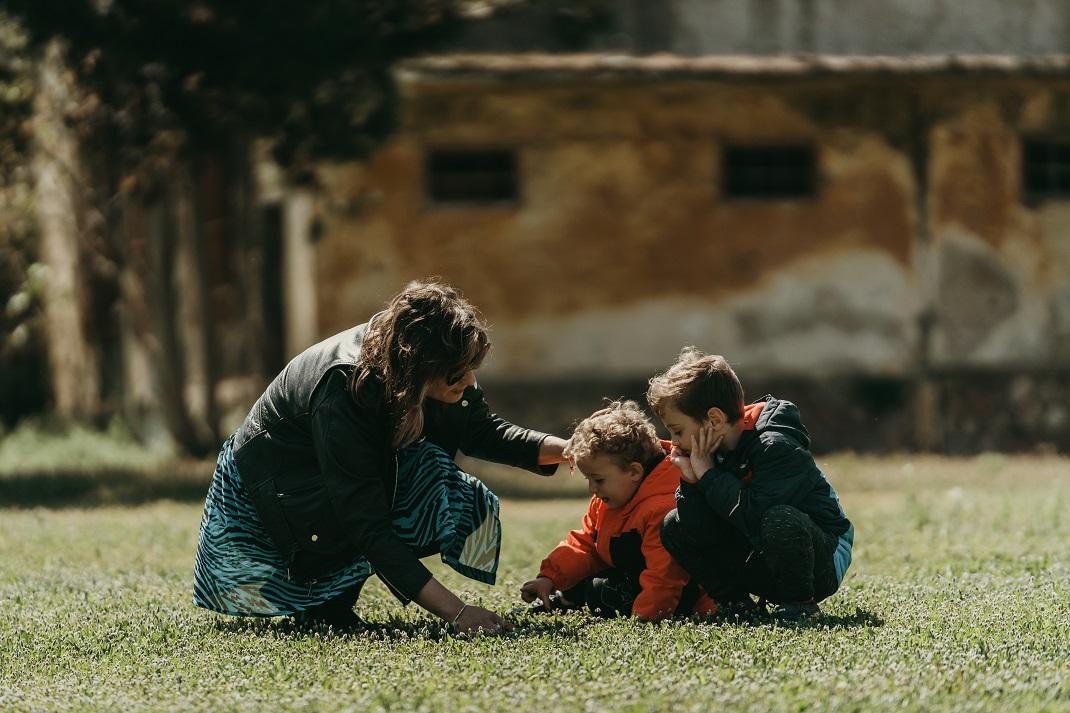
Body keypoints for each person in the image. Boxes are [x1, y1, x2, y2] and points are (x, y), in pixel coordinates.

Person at [193, 280, 567, 634]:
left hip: (332, 486)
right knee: (378, 505)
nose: (469, 381)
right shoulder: (343, 387)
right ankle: (324, 605)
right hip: (276, 486)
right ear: (420, 368)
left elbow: (484, 431)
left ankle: (326, 607)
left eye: (472, 369)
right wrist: (457, 612)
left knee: (441, 484)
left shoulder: (428, 364)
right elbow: (365, 520)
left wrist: (571, 449)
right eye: (458, 373)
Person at [650, 348, 854, 621]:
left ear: (714, 419)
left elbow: (758, 518)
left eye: (677, 430)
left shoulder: (774, 446)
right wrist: (691, 480)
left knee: (779, 518)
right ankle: (735, 606)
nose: (674, 442)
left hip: (820, 559)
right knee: (675, 524)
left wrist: (709, 476)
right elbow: (700, 531)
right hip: (763, 554)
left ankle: (799, 604)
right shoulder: (710, 451)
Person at [520, 401, 717, 621]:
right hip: (633, 576)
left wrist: (645, 619)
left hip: (685, 596)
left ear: (634, 471)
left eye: (598, 480)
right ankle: (568, 596)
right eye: (589, 479)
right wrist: (550, 578)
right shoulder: (609, 498)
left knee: (601, 592)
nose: (592, 488)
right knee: (595, 584)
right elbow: (585, 543)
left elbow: (665, 577)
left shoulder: (662, 507)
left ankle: (576, 598)